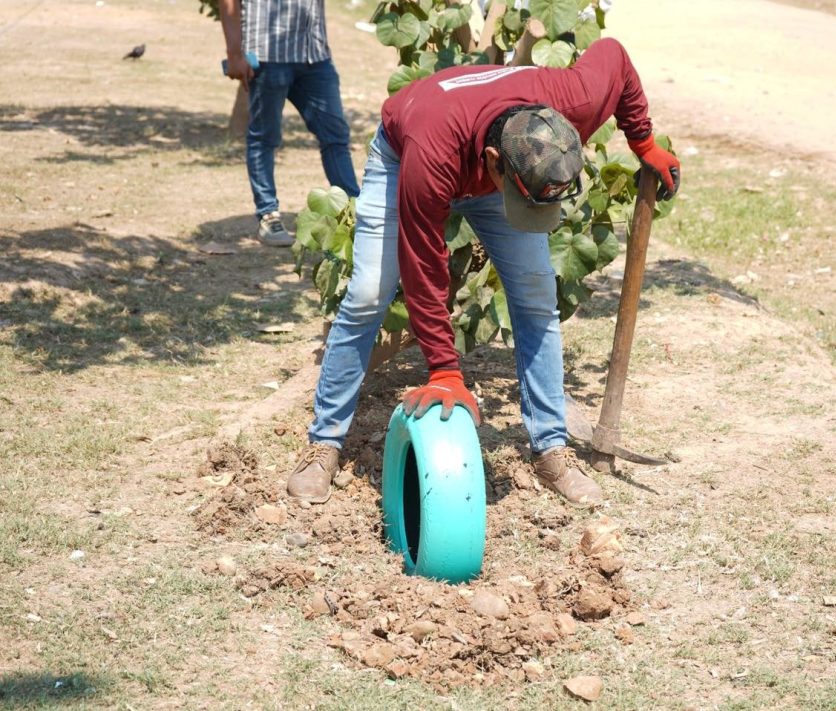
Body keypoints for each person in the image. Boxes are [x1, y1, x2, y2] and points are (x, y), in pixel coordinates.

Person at [286, 37, 680, 506]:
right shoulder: (429, 157)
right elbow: (422, 260)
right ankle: (323, 444)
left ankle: (551, 448)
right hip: (409, 148)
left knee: (537, 299)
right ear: (493, 165)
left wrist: (643, 140)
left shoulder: (573, 100)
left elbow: (614, 53)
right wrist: (445, 371)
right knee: (370, 292)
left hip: (499, 162)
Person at [219, 0, 360, 247]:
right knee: (265, 137)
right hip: (267, 56)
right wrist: (234, 53)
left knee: (335, 135)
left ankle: (352, 209)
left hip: (315, 55)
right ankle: (268, 214)